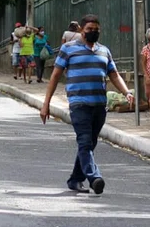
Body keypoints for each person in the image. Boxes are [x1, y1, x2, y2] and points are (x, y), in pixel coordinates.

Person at [39, 14, 134, 195]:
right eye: (89, 29)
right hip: (79, 104)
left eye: (96, 30)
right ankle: (94, 177)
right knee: (84, 141)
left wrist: (127, 92)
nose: (93, 32)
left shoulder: (104, 51)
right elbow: (55, 76)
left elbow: (113, 74)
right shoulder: (68, 49)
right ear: (82, 30)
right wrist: (46, 105)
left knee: (89, 143)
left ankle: (75, 179)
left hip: (99, 104)